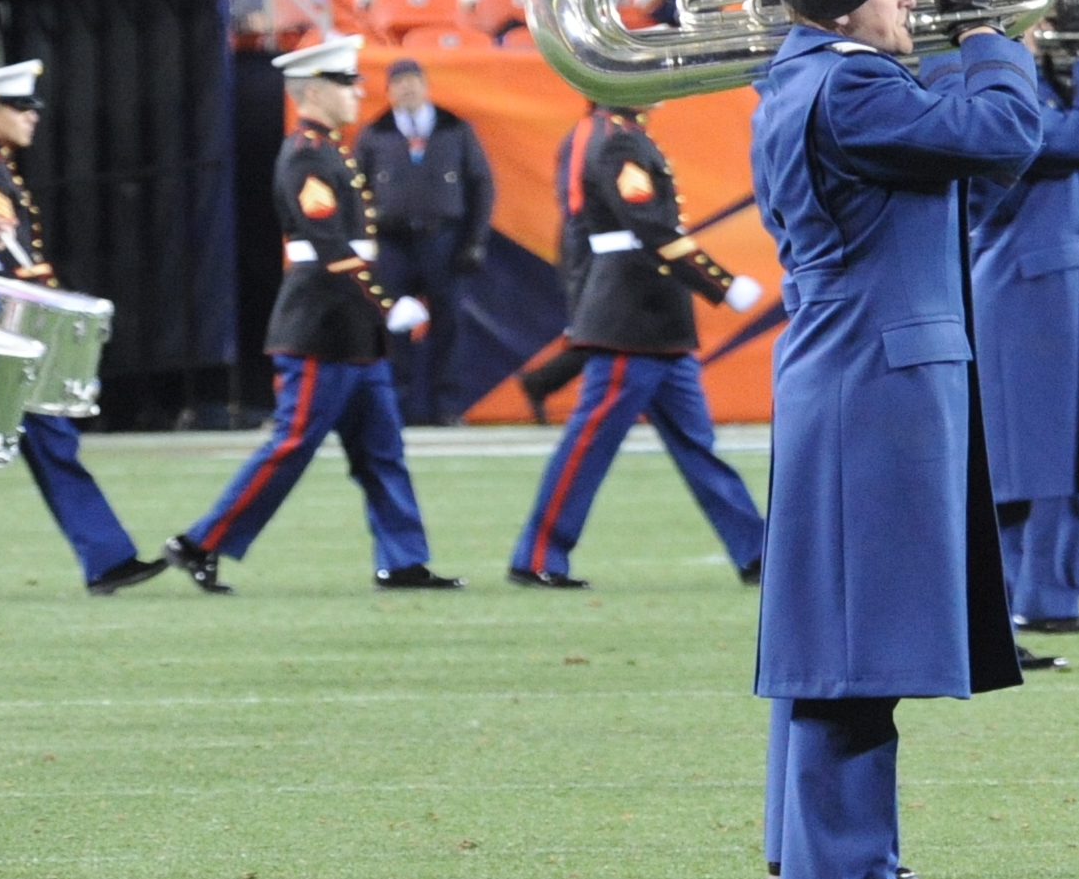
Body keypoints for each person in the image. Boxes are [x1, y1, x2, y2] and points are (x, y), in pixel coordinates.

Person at [749, 0, 1046, 879]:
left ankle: (827, 878)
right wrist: (992, 36)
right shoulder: (850, 87)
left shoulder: (809, 79)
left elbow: (976, 158)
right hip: (871, 383)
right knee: (850, 656)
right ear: (845, 3)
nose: (910, 3)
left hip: (854, 374)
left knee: (838, 645)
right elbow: (1005, 137)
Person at [169, 36, 447, 590]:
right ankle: (200, 542)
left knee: (382, 450)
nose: (357, 93)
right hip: (320, 327)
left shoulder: (331, 151)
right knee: (292, 446)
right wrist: (389, 306)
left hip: (353, 329)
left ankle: (404, 559)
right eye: (346, 84)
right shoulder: (305, 156)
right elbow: (327, 247)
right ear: (314, 91)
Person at [510, 95, 768, 587]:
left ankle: (756, 552)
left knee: (698, 446)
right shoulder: (619, 141)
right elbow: (649, 225)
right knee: (590, 445)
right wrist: (720, 283)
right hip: (631, 317)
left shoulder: (619, 134)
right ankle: (538, 555)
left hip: (655, 318)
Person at [0, 59, 168, 595]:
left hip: (11, 334)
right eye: (21, 107)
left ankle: (108, 559)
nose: (32, 117)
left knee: (44, 446)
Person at [974, 47, 1079, 633]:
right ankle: (1029, 598)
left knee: (1062, 453)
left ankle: (1044, 596)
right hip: (1022, 285)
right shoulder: (992, 86)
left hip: (1053, 280)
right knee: (1035, 456)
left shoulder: (1032, 82)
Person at [356, 60, 495, 424]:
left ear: (425, 85)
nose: (407, 89)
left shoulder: (455, 129)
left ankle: (447, 406)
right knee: (393, 324)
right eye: (398, 83)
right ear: (388, 91)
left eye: (413, 82)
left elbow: (480, 184)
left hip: (443, 239)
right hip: (392, 241)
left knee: (448, 324)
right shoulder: (375, 134)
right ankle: (396, 405)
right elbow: (357, 192)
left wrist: (474, 240)